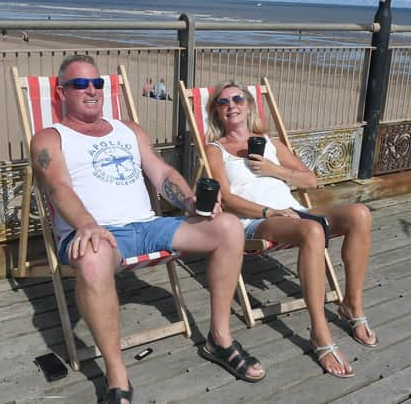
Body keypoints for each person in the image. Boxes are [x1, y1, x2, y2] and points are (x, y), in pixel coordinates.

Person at [30, 57, 266, 403]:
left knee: (228, 226)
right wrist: (88, 224)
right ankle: (117, 376)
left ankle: (220, 339)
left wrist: (190, 203)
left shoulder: (129, 130)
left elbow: (161, 174)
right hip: (98, 234)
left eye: (98, 83)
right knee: (93, 258)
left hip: (149, 226)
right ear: (61, 90)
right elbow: (58, 187)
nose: (92, 90)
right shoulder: (50, 137)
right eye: (80, 84)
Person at [204, 80, 377, 379]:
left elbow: (310, 181)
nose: (231, 105)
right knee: (311, 231)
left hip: (294, 211)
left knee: (360, 213)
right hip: (256, 221)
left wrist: (275, 170)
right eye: (223, 102)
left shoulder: (270, 143)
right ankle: (320, 332)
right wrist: (269, 211)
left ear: (248, 106)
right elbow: (228, 198)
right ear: (217, 113)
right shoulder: (216, 149)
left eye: (237, 99)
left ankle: (352, 306)